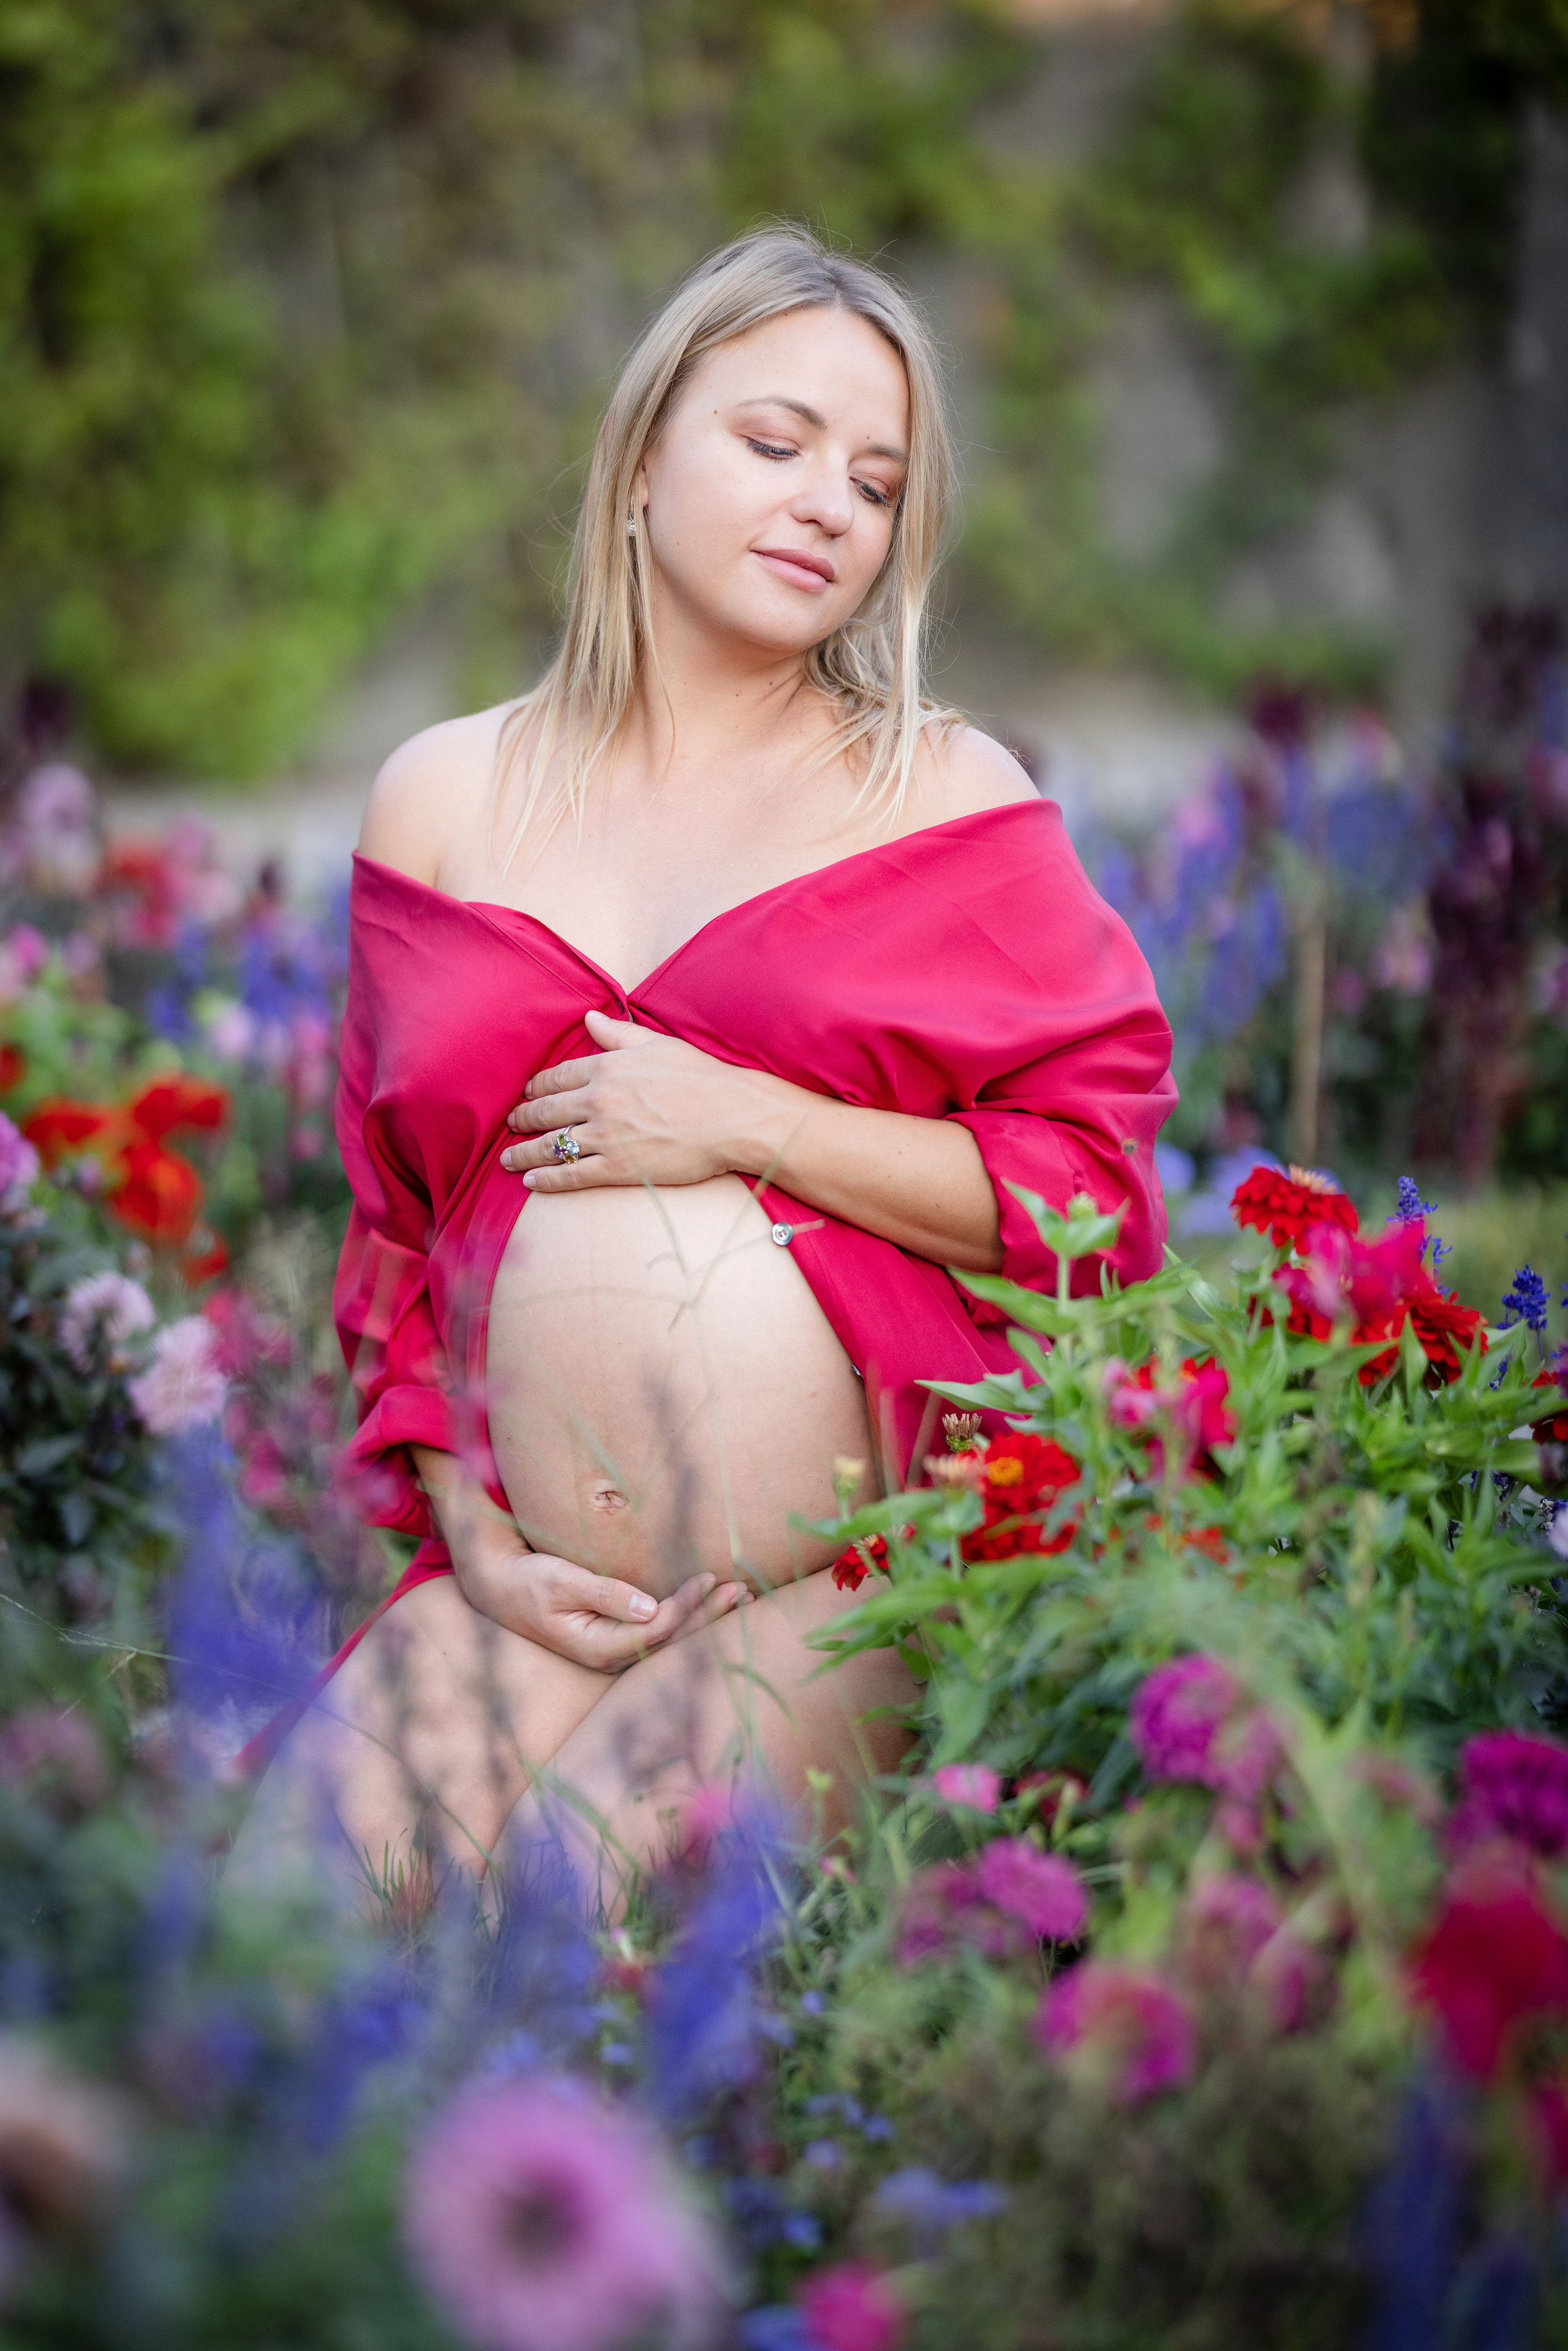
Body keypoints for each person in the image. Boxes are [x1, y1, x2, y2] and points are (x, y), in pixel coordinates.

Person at [226, 227, 1175, 1914]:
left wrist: (759, 1124)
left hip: (843, 1580)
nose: (830, 504)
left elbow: (1093, 1197)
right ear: (645, 453)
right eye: (776, 442)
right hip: (539, 1582)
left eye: (877, 483)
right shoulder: (439, 799)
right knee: (278, 1927)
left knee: (560, 1929)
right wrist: (472, 1531)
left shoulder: (942, 797)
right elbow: (401, 1241)